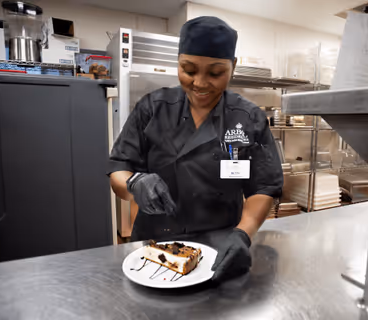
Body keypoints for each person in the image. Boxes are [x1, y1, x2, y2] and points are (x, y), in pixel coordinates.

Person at [108, 16, 283, 281]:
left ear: (232, 67)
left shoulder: (248, 118)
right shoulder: (152, 108)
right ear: (177, 62)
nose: (200, 83)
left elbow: (264, 187)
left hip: (221, 243)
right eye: (188, 70)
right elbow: (118, 169)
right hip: (155, 243)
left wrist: (243, 233)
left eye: (215, 73)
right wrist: (135, 182)